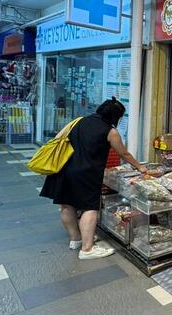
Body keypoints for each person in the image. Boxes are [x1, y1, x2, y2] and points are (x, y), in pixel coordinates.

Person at [40, 98, 150, 259]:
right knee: (90, 208)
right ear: (116, 116)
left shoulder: (79, 121)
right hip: (86, 173)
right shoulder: (110, 131)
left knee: (66, 204)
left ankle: (76, 239)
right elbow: (123, 153)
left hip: (64, 168)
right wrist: (140, 167)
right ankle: (87, 249)